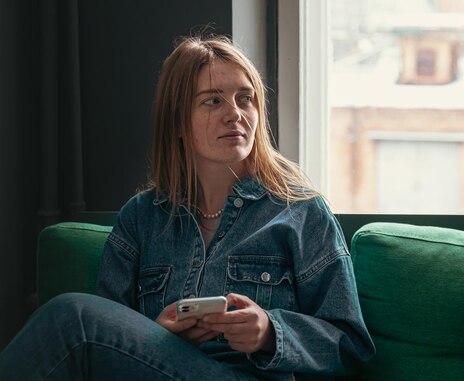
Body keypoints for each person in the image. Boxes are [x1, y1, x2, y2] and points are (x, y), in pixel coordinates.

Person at [0, 35, 375, 380]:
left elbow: (350, 347)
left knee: (71, 317)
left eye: (245, 98)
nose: (236, 114)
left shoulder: (300, 211)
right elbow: (107, 336)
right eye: (214, 100)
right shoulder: (141, 218)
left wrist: (269, 333)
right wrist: (157, 335)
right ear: (179, 121)